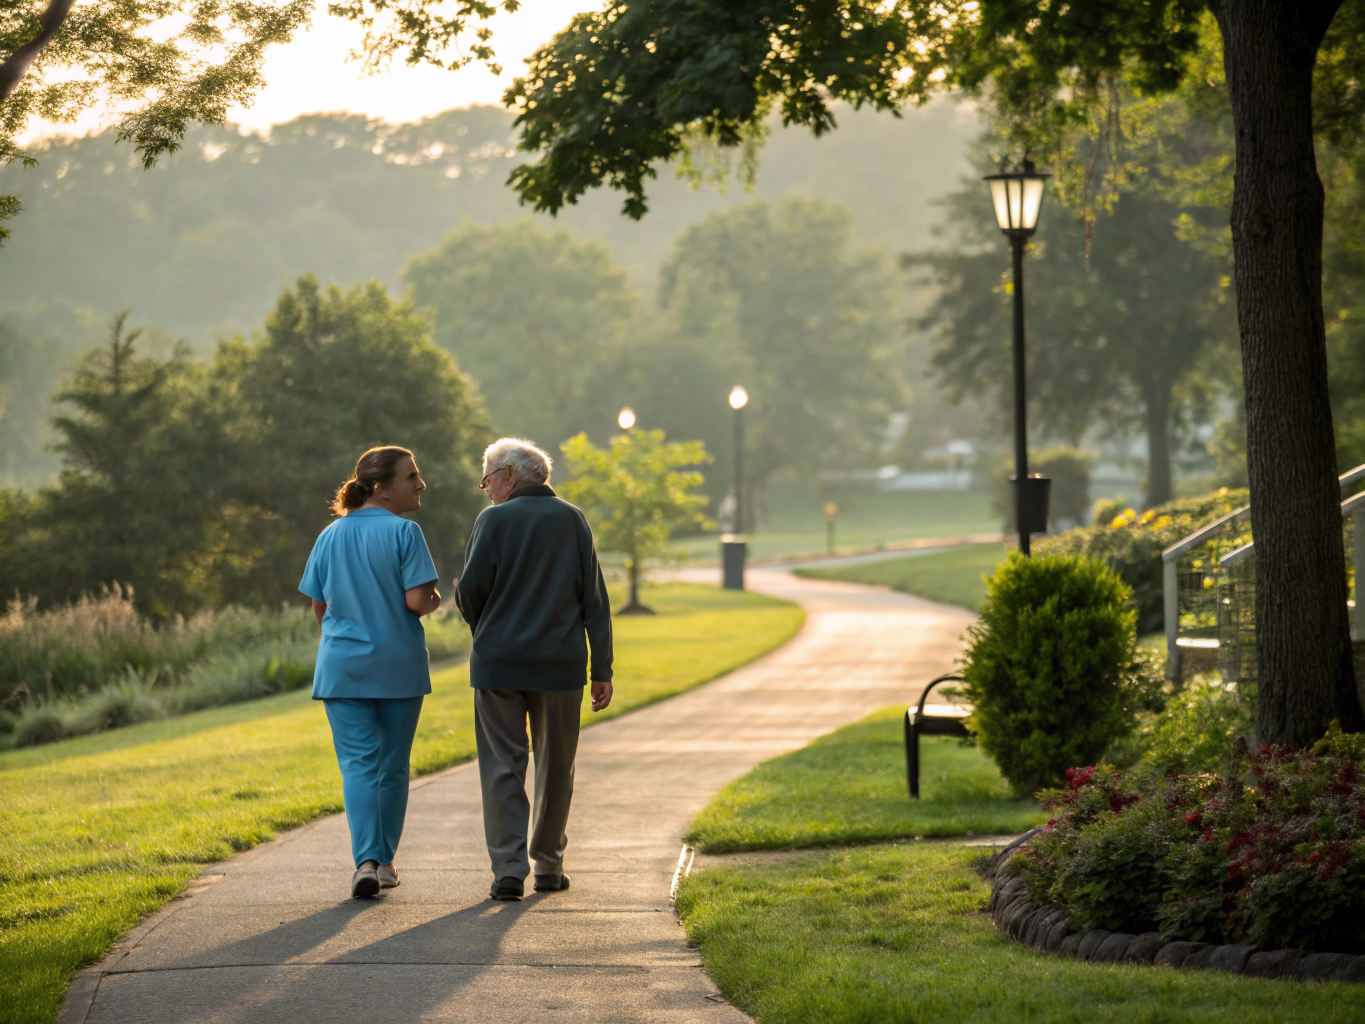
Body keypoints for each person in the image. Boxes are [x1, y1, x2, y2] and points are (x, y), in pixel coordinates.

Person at [455, 438, 614, 901]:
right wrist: (602, 668)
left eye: (487, 480)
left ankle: (508, 870)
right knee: (556, 767)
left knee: (502, 767)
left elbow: (469, 592)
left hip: (498, 665)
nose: (487, 489)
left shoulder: (492, 521)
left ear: (507, 475)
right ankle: (548, 864)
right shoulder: (572, 519)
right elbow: (594, 601)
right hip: (560, 665)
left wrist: (488, 631)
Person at [299, 445, 442, 899]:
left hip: (341, 668)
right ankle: (384, 864)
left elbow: (320, 608)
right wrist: (436, 599)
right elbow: (418, 602)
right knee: (392, 768)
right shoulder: (405, 532)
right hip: (396, 666)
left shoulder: (329, 535)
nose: (421, 484)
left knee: (358, 766)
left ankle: (365, 861)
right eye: (411, 477)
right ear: (381, 487)